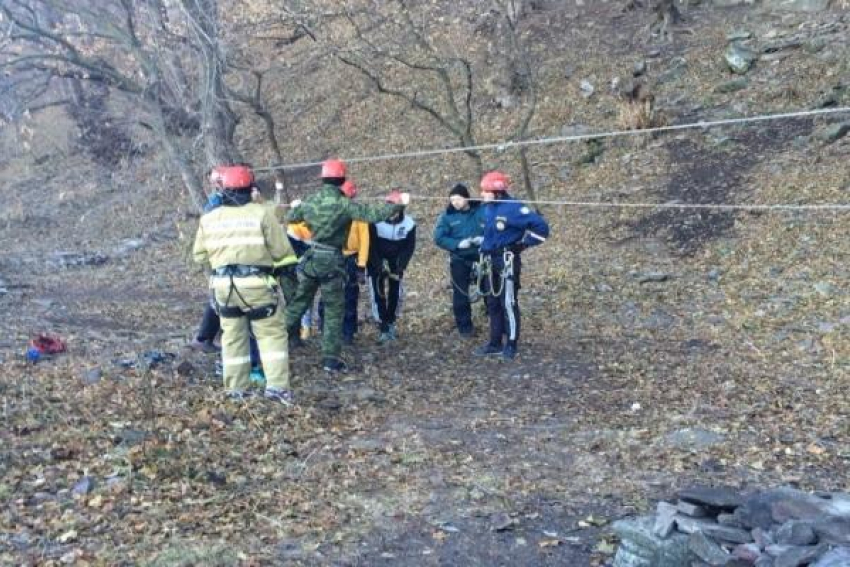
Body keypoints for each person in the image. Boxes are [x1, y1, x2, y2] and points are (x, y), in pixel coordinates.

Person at [284, 159, 409, 373]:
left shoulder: (311, 201)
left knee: (298, 304)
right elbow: (373, 215)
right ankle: (330, 359)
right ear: (342, 180)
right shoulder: (344, 204)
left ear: (322, 178)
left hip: (313, 259)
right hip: (332, 262)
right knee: (333, 310)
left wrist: (295, 207)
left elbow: (290, 217)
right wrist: (399, 204)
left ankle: (266, 345)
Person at [193, 164, 296, 404]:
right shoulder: (262, 214)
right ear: (251, 189)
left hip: (223, 288)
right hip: (256, 286)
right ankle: (277, 389)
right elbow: (282, 251)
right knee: (270, 336)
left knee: (232, 337)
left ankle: (236, 390)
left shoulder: (209, 218)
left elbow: (199, 255)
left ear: (223, 189)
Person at [473, 171, 549, 361]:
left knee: (508, 302)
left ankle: (511, 344)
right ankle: (495, 342)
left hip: (507, 260)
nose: (481, 194)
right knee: (492, 302)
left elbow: (542, 228)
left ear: (496, 192)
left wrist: (522, 245)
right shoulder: (489, 208)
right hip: (490, 261)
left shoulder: (514, 209)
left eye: (485, 191)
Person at [433, 183, 485, 337]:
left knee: (489, 289)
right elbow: (439, 237)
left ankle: (495, 321)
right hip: (460, 258)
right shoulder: (447, 216)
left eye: (458, 199)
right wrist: (457, 244)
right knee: (460, 294)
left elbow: (492, 227)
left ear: (466, 198)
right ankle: (465, 328)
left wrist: (484, 239)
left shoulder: (481, 210)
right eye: (452, 200)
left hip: (482, 257)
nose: (454, 203)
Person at [367, 189, 416, 343]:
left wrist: (401, 266)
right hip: (377, 260)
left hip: (397, 261)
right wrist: (378, 265)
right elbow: (370, 246)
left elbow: (409, 247)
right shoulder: (375, 222)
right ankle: (382, 326)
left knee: (396, 292)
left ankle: (391, 322)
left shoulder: (409, 224)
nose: (392, 214)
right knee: (378, 293)